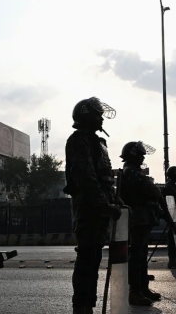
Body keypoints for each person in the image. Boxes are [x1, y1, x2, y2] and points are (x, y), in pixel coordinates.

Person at [64, 97, 123, 314]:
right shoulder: (79, 140)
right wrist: (104, 205)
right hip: (88, 209)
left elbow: (105, 179)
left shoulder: (99, 143)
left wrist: (116, 201)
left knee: (94, 259)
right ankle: (81, 307)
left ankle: (89, 303)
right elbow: (86, 178)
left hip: (100, 208)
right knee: (86, 260)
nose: (101, 119)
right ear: (87, 115)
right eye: (98, 114)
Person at [119, 141, 162, 306]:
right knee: (137, 256)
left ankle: (143, 288)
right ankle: (135, 291)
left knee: (141, 255)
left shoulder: (133, 172)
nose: (143, 157)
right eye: (141, 154)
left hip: (142, 218)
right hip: (138, 218)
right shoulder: (131, 172)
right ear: (133, 155)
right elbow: (152, 190)